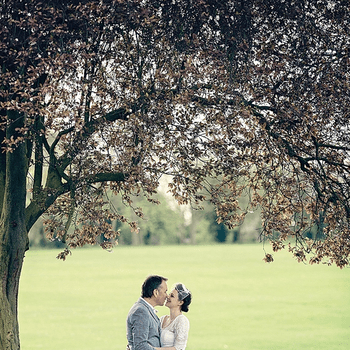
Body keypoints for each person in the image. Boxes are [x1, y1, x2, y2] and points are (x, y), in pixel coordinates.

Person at [127, 275, 168, 350]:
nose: (167, 296)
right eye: (165, 292)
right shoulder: (141, 311)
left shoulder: (145, 309)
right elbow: (140, 346)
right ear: (156, 292)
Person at [154, 283, 192, 350]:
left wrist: (154, 349)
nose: (167, 297)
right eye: (169, 294)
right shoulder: (163, 319)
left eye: (172, 296)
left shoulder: (181, 321)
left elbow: (179, 348)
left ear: (180, 302)